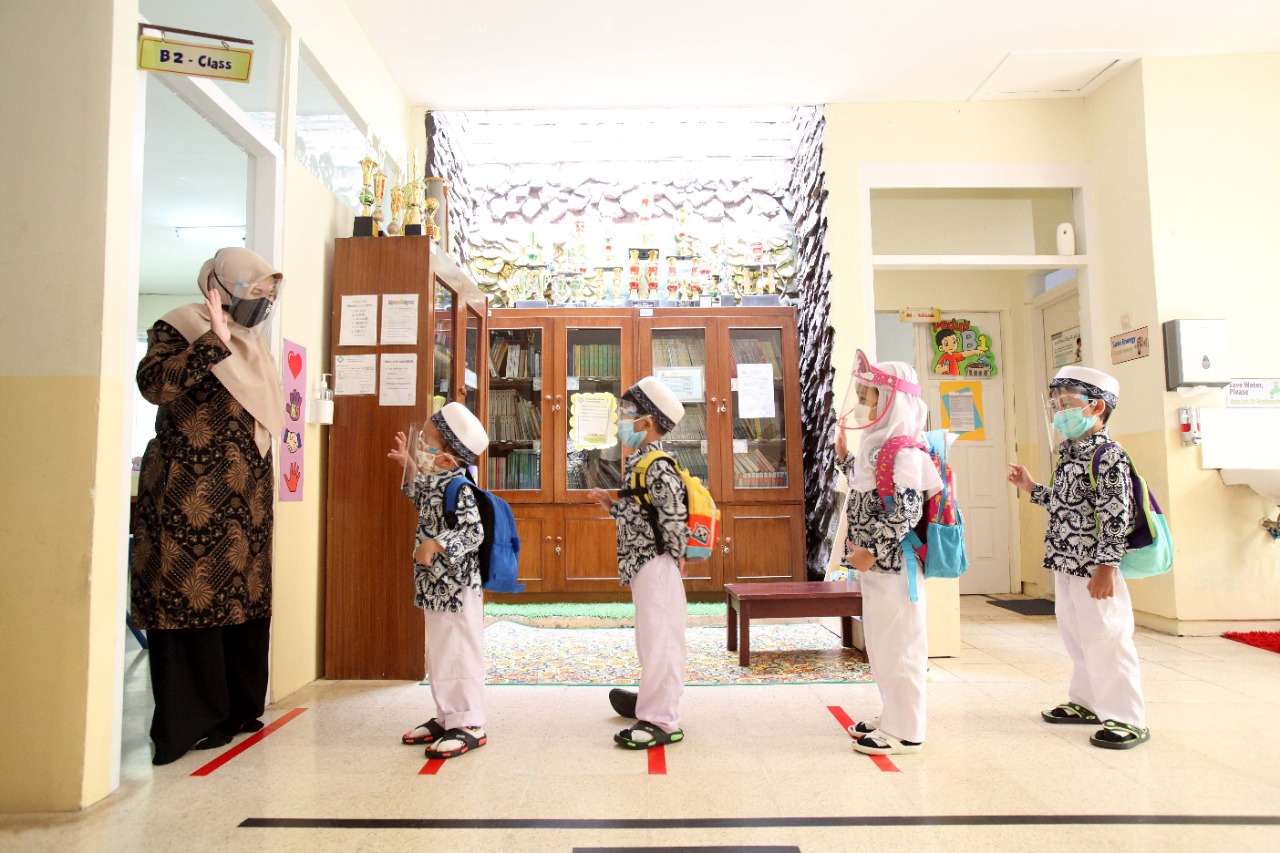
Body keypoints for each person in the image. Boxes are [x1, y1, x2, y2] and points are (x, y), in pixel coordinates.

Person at [131, 247, 285, 765]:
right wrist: (210, 344)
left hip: (246, 504)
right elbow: (154, 386)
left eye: (269, 294)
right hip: (188, 498)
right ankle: (193, 721)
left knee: (243, 601)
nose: (262, 303)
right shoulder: (178, 326)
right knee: (190, 601)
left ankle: (236, 710)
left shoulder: (256, 344)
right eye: (254, 292)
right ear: (219, 286)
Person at [1007, 365, 1150, 750]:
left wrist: (1107, 566)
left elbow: (1116, 514)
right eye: (1055, 403)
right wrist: (1031, 487)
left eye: (1066, 403)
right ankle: (1086, 701)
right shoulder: (1070, 454)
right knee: (1077, 636)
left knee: (1107, 637)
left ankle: (1126, 717)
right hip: (1065, 562)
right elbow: (1064, 504)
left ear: (1096, 406)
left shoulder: (1109, 456)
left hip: (1094, 567)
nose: (1058, 412)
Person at [836, 355, 941, 755]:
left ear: (894, 400)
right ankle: (893, 713)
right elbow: (868, 495)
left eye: (870, 396)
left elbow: (908, 511)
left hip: (896, 569)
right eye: (861, 395)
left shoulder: (905, 452)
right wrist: (845, 457)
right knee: (880, 646)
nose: (864, 405)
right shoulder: (877, 448)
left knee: (901, 647)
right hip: (875, 569)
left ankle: (908, 730)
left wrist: (872, 550)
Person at [588, 377, 689, 749]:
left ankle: (662, 719)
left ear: (647, 422)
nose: (622, 420)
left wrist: (677, 556)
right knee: (649, 637)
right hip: (642, 563)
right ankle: (651, 698)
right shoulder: (640, 461)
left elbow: (673, 516)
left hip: (657, 563)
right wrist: (613, 506)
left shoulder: (658, 464)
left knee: (661, 639)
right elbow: (641, 513)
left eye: (627, 413)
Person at [388, 402, 491, 759]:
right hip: (435, 585)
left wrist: (436, 544)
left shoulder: (460, 488)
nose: (422, 447)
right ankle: (447, 715)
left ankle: (470, 722)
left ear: (449, 459)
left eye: (427, 444)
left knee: (460, 650)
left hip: (457, 586)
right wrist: (408, 464)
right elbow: (417, 494)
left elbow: (473, 533)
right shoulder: (436, 482)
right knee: (440, 652)